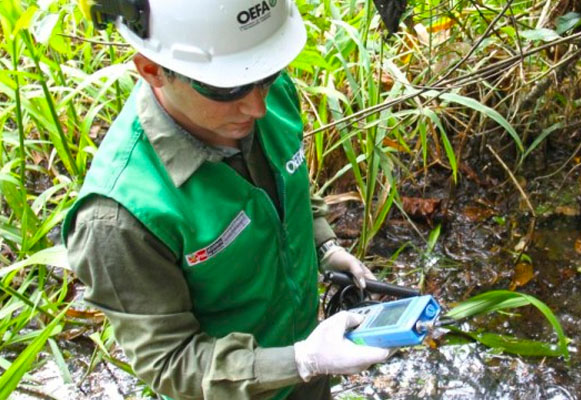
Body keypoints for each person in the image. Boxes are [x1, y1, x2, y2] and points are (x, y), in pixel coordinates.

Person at [63, 0, 391, 398]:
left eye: (267, 74)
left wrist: (325, 245)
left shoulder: (266, 90)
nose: (257, 105)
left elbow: (290, 177)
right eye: (225, 89)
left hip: (311, 365)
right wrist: (301, 360)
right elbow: (168, 359)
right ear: (152, 71)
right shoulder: (119, 217)